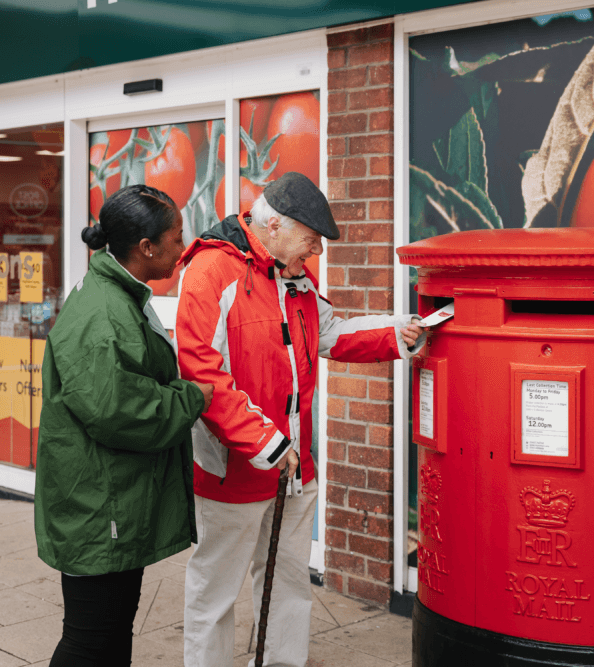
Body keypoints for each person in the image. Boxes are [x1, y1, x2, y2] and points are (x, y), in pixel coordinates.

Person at [175, 172, 425, 667]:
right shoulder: (210, 273)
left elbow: (329, 334)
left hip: (294, 469)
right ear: (273, 227)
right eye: (312, 240)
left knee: (288, 581)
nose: (318, 253)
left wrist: (399, 333)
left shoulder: (295, 275)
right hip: (236, 470)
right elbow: (202, 374)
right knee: (215, 592)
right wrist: (268, 444)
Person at [34, 184, 214, 667]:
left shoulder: (117, 293)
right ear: (146, 248)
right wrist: (192, 396)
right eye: (176, 238)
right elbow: (119, 411)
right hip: (99, 500)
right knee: (91, 639)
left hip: (110, 495)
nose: (183, 246)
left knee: (112, 632)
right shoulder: (105, 313)